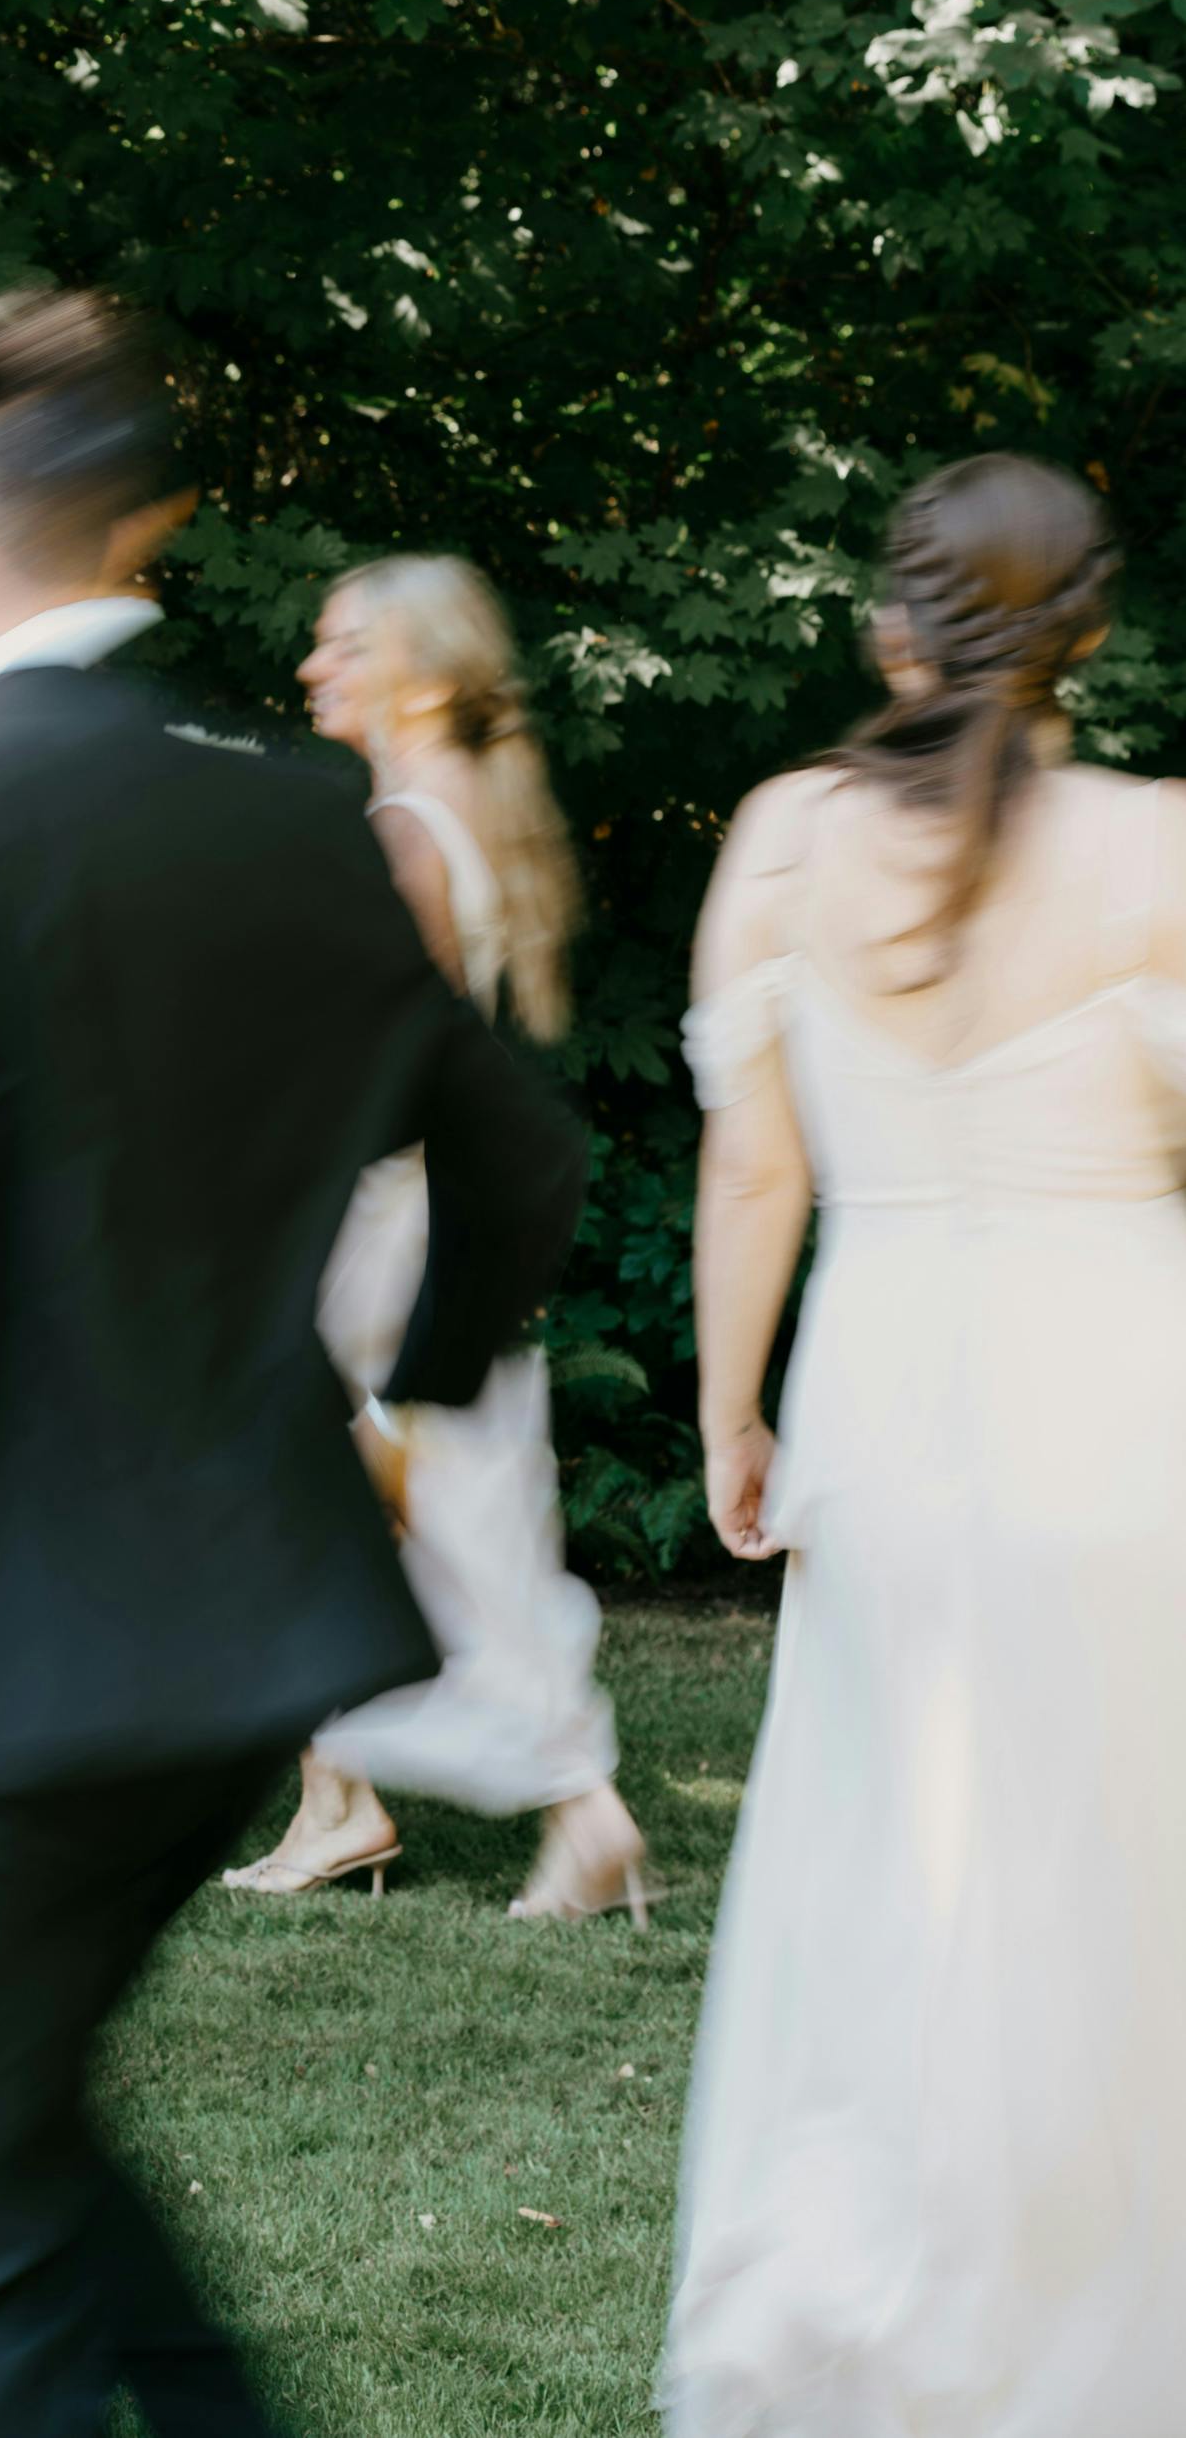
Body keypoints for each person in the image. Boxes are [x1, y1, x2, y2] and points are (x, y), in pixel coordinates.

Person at [0, 289, 584, 2438]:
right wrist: (403, 1406)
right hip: (246, 1632)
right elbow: (522, 1155)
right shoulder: (302, 813)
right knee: (14, 2120)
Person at [665, 453, 1186, 2434]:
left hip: (882, 1387)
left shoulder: (787, 836)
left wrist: (733, 1408)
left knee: (896, 1847)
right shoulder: (1156, 845)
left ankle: (874, 2292)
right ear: (1088, 629)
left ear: (896, 620)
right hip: (1116, 1386)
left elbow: (754, 1167)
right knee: (1112, 1862)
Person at [219, 555, 648, 1920]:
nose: (312, 666)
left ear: (418, 670)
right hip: (422, 1215)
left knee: (425, 1519)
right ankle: (342, 1801)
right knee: (419, 1515)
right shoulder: (472, 811)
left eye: (344, 644)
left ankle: (573, 1809)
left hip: (378, 1229)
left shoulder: (403, 827)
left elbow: (371, 1066)